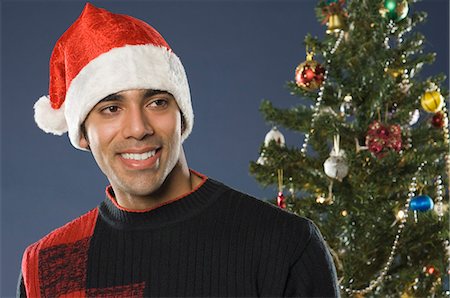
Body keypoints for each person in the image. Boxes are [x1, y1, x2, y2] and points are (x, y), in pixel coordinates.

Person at [18, 3, 339, 297]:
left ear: (181, 116)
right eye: (111, 108)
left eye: (157, 102)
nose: (138, 128)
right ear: (83, 133)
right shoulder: (46, 265)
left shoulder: (282, 245)